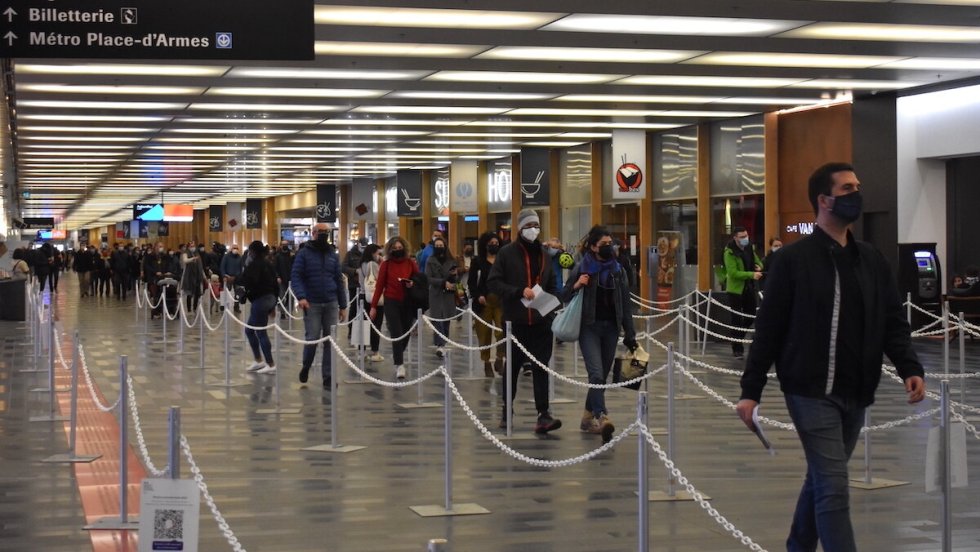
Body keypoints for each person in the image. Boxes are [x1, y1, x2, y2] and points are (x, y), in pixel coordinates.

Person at [736, 162, 926, 552]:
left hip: (856, 389)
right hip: (809, 390)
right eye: (847, 188)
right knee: (835, 488)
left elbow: (892, 319)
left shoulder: (871, 260)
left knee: (825, 478)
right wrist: (750, 390)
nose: (856, 193)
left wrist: (909, 366)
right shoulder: (792, 260)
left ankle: (798, 546)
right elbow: (769, 328)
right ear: (824, 200)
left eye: (857, 185)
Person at [488, 209, 562, 434]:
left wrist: (550, 302)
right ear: (519, 229)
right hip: (516, 322)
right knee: (512, 368)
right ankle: (506, 409)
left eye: (536, 226)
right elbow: (494, 282)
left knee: (541, 367)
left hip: (541, 321)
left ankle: (543, 414)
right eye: (529, 226)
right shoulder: (506, 254)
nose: (533, 230)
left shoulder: (544, 255)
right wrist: (519, 291)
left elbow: (552, 284)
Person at [562, 226, 638, 443]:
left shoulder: (618, 270)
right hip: (589, 327)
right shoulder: (582, 268)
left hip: (611, 329)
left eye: (610, 244)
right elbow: (564, 294)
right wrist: (578, 284)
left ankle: (587, 418)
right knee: (596, 374)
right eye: (604, 244)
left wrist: (630, 334)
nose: (608, 248)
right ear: (593, 247)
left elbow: (625, 302)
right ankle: (601, 416)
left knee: (601, 377)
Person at [291, 223, 348, 388]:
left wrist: (343, 305)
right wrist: (301, 296)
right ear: (313, 233)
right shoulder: (303, 254)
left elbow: (338, 279)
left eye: (326, 232)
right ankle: (306, 365)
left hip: (330, 302)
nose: (323, 235)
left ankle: (328, 377)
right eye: (320, 232)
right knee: (313, 338)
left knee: (330, 341)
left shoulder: (332, 254)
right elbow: (296, 276)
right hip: (312, 303)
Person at [369, 237, 419, 380]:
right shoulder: (386, 264)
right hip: (391, 301)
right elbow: (379, 286)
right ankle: (399, 364)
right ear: (390, 250)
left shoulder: (410, 263)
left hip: (408, 301)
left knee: (406, 332)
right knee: (396, 332)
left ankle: (398, 353)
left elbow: (419, 278)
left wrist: (412, 283)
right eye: (394, 248)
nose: (398, 250)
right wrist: (373, 306)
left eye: (399, 247)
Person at [467, 231, 506, 377]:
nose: (494, 245)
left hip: (501, 301)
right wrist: (477, 296)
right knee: (484, 333)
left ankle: (500, 358)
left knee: (502, 331)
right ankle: (486, 362)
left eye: (496, 243)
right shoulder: (477, 261)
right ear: (485, 245)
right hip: (483, 302)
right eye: (491, 243)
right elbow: (471, 282)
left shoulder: (502, 260)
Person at [238, 240, 279, 375]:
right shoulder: (269, 264)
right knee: (250, 330)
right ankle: (258, 360)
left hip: (260, 300)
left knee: (261, 332)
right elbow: (276, 284)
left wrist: (243, 289)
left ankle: (270, 363)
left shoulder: (254, 265)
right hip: (270, 298)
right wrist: (274, 304)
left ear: (253, 252)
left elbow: (250, 282)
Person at [723, 226, 763, 359]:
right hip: (735, 290)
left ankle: (737, 338)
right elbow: (733, 273)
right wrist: (752, 274)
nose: (745, 238)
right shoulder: (729, 252)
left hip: (748, 288)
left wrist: (759, 266)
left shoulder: (749, 248)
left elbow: (758, 261)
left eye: (746, 236)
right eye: (742, 237)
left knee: (751, 315)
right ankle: (737, 348)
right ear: (735, 238)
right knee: (736, 319)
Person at [425, 236, 458, 358]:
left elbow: (456, 278)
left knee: (446, 320)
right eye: (437, 246)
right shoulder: (430, 260)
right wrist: (443, 282)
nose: (439, 248)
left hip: (448, 294)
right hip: (436, 294)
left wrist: (454, 277)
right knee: (437, 319)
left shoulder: (451, 260)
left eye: (441, 246)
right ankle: (439, 344)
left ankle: (444, 342)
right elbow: (428, 278)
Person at [358, 244, 385, 363]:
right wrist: (382, 262)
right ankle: (375, 351)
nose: (379, 256)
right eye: (378, 253)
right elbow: (380, 278)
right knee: (376, 324)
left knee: (363, 324)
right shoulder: (373, 264)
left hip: (363, 296)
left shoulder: (362, 264)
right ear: (372, 253)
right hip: (374, 297)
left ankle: (361, 351)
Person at [343, 237, 367, 343]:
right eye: (362, 246)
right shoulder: (350, 254)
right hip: (354, 285)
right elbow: (343, 267)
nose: (363, 248)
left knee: (365, 309)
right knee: (354, 309)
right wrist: (354, 271)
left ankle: (364, 333)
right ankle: (351, 330)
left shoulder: (368, 254)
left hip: (366, 286)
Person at [220, 244, 244, 313]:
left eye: (236, 248)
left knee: (238, 293)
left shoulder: (239, 257)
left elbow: (241, 268)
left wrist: (237, 276)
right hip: (227, 277)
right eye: (234, 248)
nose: (235, 249)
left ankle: (236, 307)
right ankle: (223, 305)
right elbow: (222, 267)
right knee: (226, 292)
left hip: (236, 278)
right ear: (231, 249)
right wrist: (224, 276)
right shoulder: (226, 256)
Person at [274, 240, 294, 320]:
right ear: (280, 246)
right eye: (283, 244)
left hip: (291, 279)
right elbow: (275, 268)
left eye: (286, 244)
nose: (285, 246)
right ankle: (282, 312)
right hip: (282, 279)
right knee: (281, 296)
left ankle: (289, 312)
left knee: (291, 297)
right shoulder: (278, 256)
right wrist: (277, 276)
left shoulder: (292, 255)